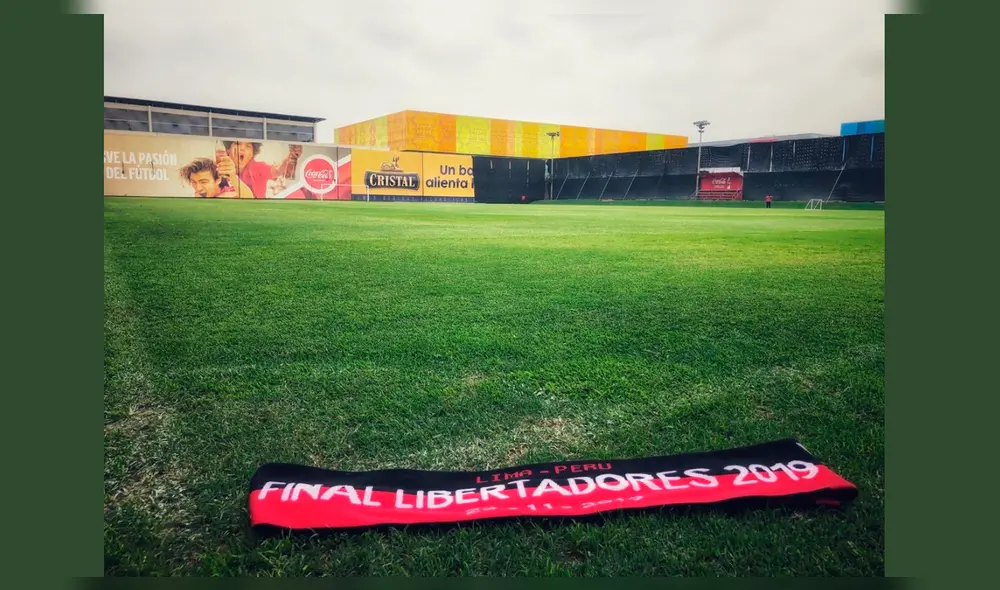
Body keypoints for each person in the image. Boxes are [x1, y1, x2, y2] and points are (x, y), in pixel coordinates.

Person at [223, 141, 304, 199]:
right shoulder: (217, 169)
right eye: (238, 144)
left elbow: (278, 170)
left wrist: (292, 155)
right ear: (228, 150)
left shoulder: (258, 168)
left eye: (248, 146)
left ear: (252, 154)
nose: (242, 149)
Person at [179, 158, 249, 198]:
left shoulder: (231, 194)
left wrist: (233, 176)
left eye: (203, 182)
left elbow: (250, 198)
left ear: (218, 180)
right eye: (193, 182)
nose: (198, 188)